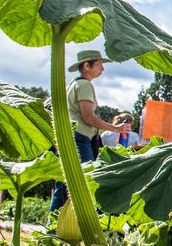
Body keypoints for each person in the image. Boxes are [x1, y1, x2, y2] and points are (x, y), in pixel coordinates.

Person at [50, 49, 129, 213]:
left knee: (65, 181)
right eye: (100, 64)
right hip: (80, 137)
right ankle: (89, 218)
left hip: (70, 136)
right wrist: (115, 128)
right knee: (86, 180)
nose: (103, 69)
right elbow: (88, 117)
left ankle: (54, 222)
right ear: (87, 65)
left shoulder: (73, 84)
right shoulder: (85, 85)